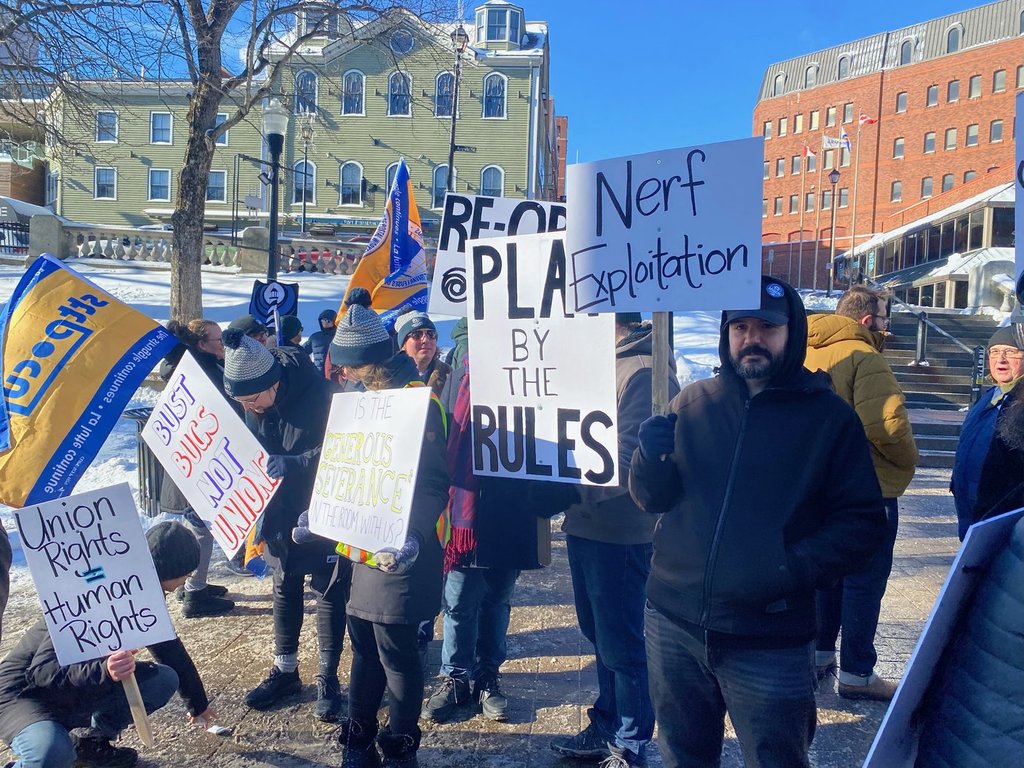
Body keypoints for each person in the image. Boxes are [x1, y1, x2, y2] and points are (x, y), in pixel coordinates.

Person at [630, 276, 886, 768]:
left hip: (768, 638)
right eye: (740, 326)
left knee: (777, 760)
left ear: (792, 333)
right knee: (683, 756)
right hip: (672, 623)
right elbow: (651, 499)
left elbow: (862, 525)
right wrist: (648, 456)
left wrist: (787, 569)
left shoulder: (829, 420)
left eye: (767, 327)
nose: (752, 338)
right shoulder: (692, 403)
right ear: (726, 334)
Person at [326, 287, 449, 768]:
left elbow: (436, 482)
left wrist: (415, 535)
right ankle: (358, 738)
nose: (343, 375)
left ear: (372, 364)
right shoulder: (358, 401)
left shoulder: (420, 403)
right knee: (362, 647)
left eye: (350, 367)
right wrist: (319, 512)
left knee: (397, 652)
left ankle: (400, 744)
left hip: (403, 549)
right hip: (359, 547)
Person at [550, 313, 680, 768]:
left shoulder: (642, 370)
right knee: (599, 634)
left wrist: (566, 487)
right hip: (586, 525)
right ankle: (608, 720)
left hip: (623, 532)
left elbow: (629, 460)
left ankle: (630, 741)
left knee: (623, 643)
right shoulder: (594, 365)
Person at [0, 522, 215, 768]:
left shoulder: (141, 597)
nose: (189, 578)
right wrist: (105, 669)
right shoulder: (95, 591)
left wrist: (198, 705)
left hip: (71, 687)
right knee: (52, 754)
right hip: (23, 693)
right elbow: (42, 671)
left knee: (163, 679)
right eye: (188, 572)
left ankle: (90, 744)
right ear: (170, 571)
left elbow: (171, 652)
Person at [421, 330, 552, 726]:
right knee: (459, 601)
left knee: (498, 599)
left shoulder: (533, 381)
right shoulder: (451, 381)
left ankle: (487, 676)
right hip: (464, 514)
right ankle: (454, 677)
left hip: (511, 511)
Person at [221, 326, 349, 723]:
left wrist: (300, 462)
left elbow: (344, 448)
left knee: (328, 592)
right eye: (242, 402)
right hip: (277, 510)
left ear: (274, 383)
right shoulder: (253, 399)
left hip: (321, 507)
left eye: (254, 399)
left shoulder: (322, 394)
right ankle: (286, 669)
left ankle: (329, 677)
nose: (251, 408)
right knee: (284, 586)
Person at [805, 285, 918, 702]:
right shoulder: (865, 357)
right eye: (885, 319)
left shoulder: (802, 348)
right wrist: (908, 461)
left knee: (825, 577)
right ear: (868, 320)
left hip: (815, 488)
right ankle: (856, 673)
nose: (887, 328)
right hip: (865, 488)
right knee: (863, 582)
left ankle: (817, 657)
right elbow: (887, 425)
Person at [157, 320, 240, 614]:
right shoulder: (197, 367)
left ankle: (192, 584)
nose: (223, 345)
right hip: (197, 463)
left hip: (195, 461)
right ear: (201, 345)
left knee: (198, 526)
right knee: (203, 527)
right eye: (218, 340)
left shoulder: (201, 364)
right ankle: (194, 593)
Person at [952, 325, 1024, 538]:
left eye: (1010, 352)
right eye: (994, 351)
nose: (1001, 359)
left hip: (1005, 517)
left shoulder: (1019, 400)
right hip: (973, 510)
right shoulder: (990, 396)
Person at [394, 310, 450, 397]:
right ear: (403, 344)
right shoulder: (388, 379)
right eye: (416, 335)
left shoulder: (449, 376)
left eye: (431, 334)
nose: (425, 340)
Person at [303, 308, 338, 375]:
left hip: (336, 374)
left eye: (327, 321)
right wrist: (310, 366)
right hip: (319, 374)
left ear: (334, 321)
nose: (325, 323)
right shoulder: (315, 337)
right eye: (322, 320)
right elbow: (302, 352)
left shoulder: (339, 336)